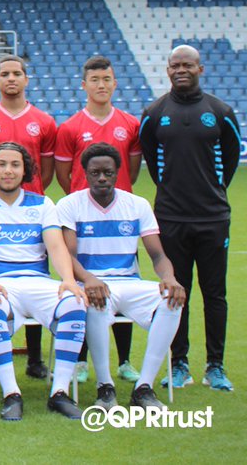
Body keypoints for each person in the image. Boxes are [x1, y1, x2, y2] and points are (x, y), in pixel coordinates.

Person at [0, 142, 88, 420]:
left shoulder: (42, 203)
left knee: (74, 304)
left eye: (15, 165)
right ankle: (11, 393)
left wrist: (68, 279)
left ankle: (60, 393)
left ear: (25, 169)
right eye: (2, 164)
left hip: (38, 281)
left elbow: (56, 247)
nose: (8, 170)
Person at [139, 44, 240, 391]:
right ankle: (178, 364)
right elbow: (153, 162)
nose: (181, 70)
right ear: (167, 71)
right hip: (170, 218)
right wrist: (173, 191)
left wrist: (211, 192)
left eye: (188, 65)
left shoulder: (220, 111)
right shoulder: (154, 113)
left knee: (215, 293)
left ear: (200, 69)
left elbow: (229, 159)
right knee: (174, 292)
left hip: (213, 218)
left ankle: (216, 366)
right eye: (175, 65)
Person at [57, 143, 185, 409]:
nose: (102, 178)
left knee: (172, 300)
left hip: (130, 282)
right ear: (85, 173)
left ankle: (144, 387)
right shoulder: (70, 205)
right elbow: (67, 255)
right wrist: (89, 279)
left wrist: (170, 278)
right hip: (92, 283)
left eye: (107, 172)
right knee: (96, 301)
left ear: (117, 173)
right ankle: (105, 387)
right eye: (95, 173)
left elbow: (158, 256)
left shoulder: (136, 204)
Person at [0, 55, 57, 380]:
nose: (11, 79)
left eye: (17, 73)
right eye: (5, 74)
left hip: (31, 211)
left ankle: (34, 358)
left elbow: (45, 170)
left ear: (26, 79)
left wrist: (30, 190)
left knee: (36, 273)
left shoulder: (44, 120)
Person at [55, 55, 142, 384]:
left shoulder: (130, 124)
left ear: (114, 83)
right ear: (84, 85)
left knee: (126, 279)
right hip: (82, 217)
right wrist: (82, 201)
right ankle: (79, 359)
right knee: (79, 283)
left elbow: (130, 171)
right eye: (95, 80)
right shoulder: (71, 127)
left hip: (120, 218)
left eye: (107, 79)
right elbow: (65, 175)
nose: (101, 85)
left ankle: (124, 360)